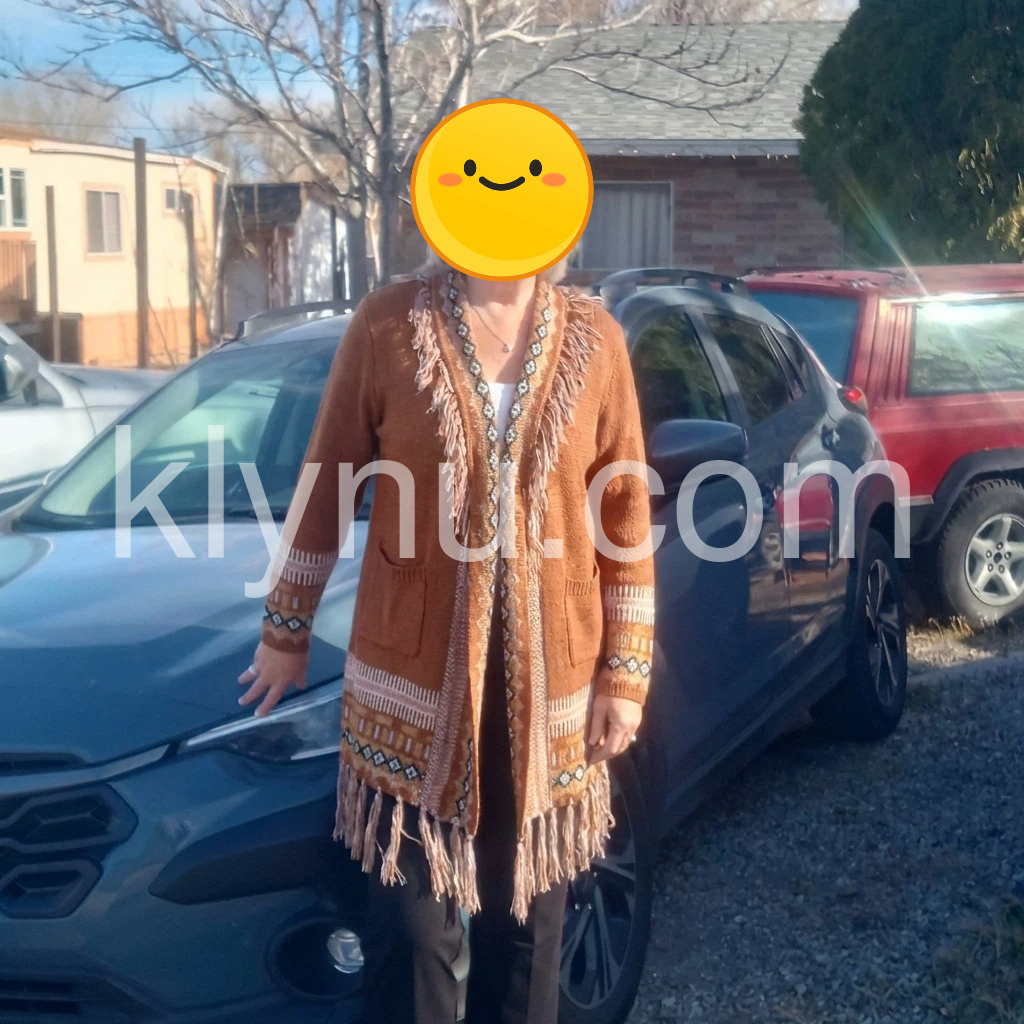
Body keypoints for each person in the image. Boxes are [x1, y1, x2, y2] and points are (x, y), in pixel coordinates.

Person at [238, 251, 656, 1023]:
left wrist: (624, 675)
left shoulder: (596, 338)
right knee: (414, 935)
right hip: (412, 692)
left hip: (551, 695)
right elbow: (327, 479)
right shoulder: (390, 324)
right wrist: (286, 627)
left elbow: (624, 515)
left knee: (528, 928)